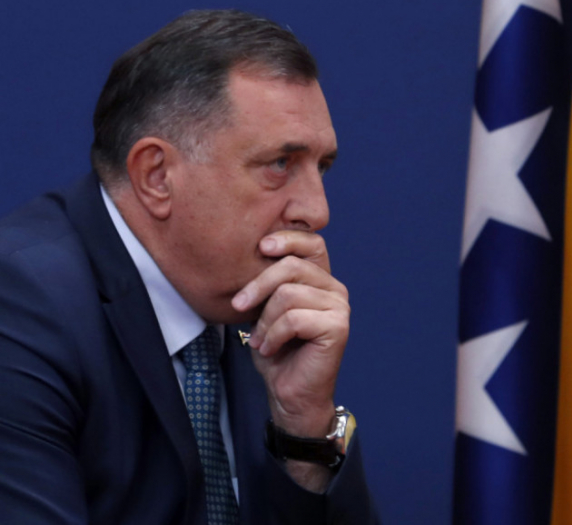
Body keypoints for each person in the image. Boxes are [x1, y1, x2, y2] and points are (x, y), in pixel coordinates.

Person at [0, 9, 378, 525]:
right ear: (157, 176)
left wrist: (303, 422)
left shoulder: (259, 309)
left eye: (322, 167)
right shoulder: (20, 304)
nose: (317, 211)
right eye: (279, 164)